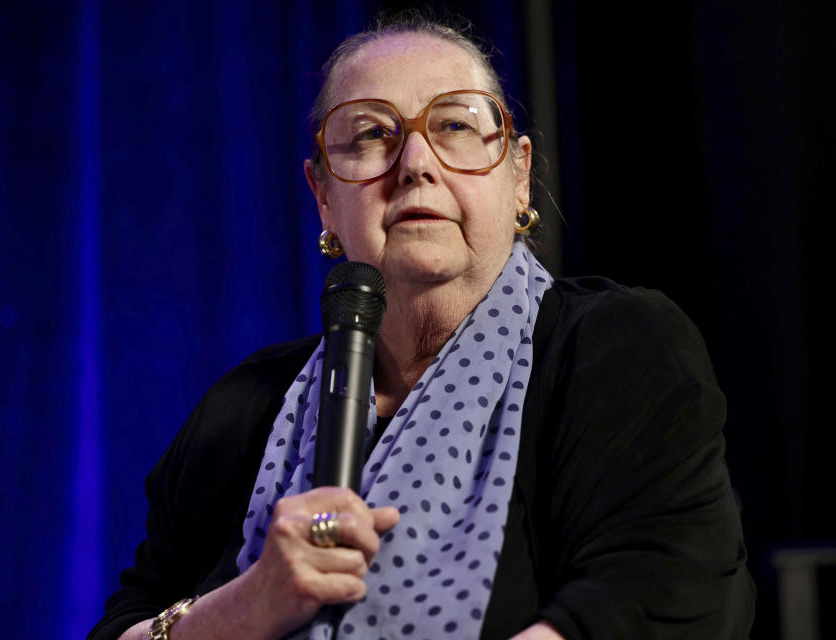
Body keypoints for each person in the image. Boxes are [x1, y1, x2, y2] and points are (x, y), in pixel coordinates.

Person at [88, 13, 755, 640]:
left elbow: (662, 590)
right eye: (373, 133)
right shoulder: (240, 410)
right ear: (323, 194)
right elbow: (125, 622)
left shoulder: (614, 349)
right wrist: (248, 602)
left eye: (456, 127)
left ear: (518, 174)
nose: (416, 163)